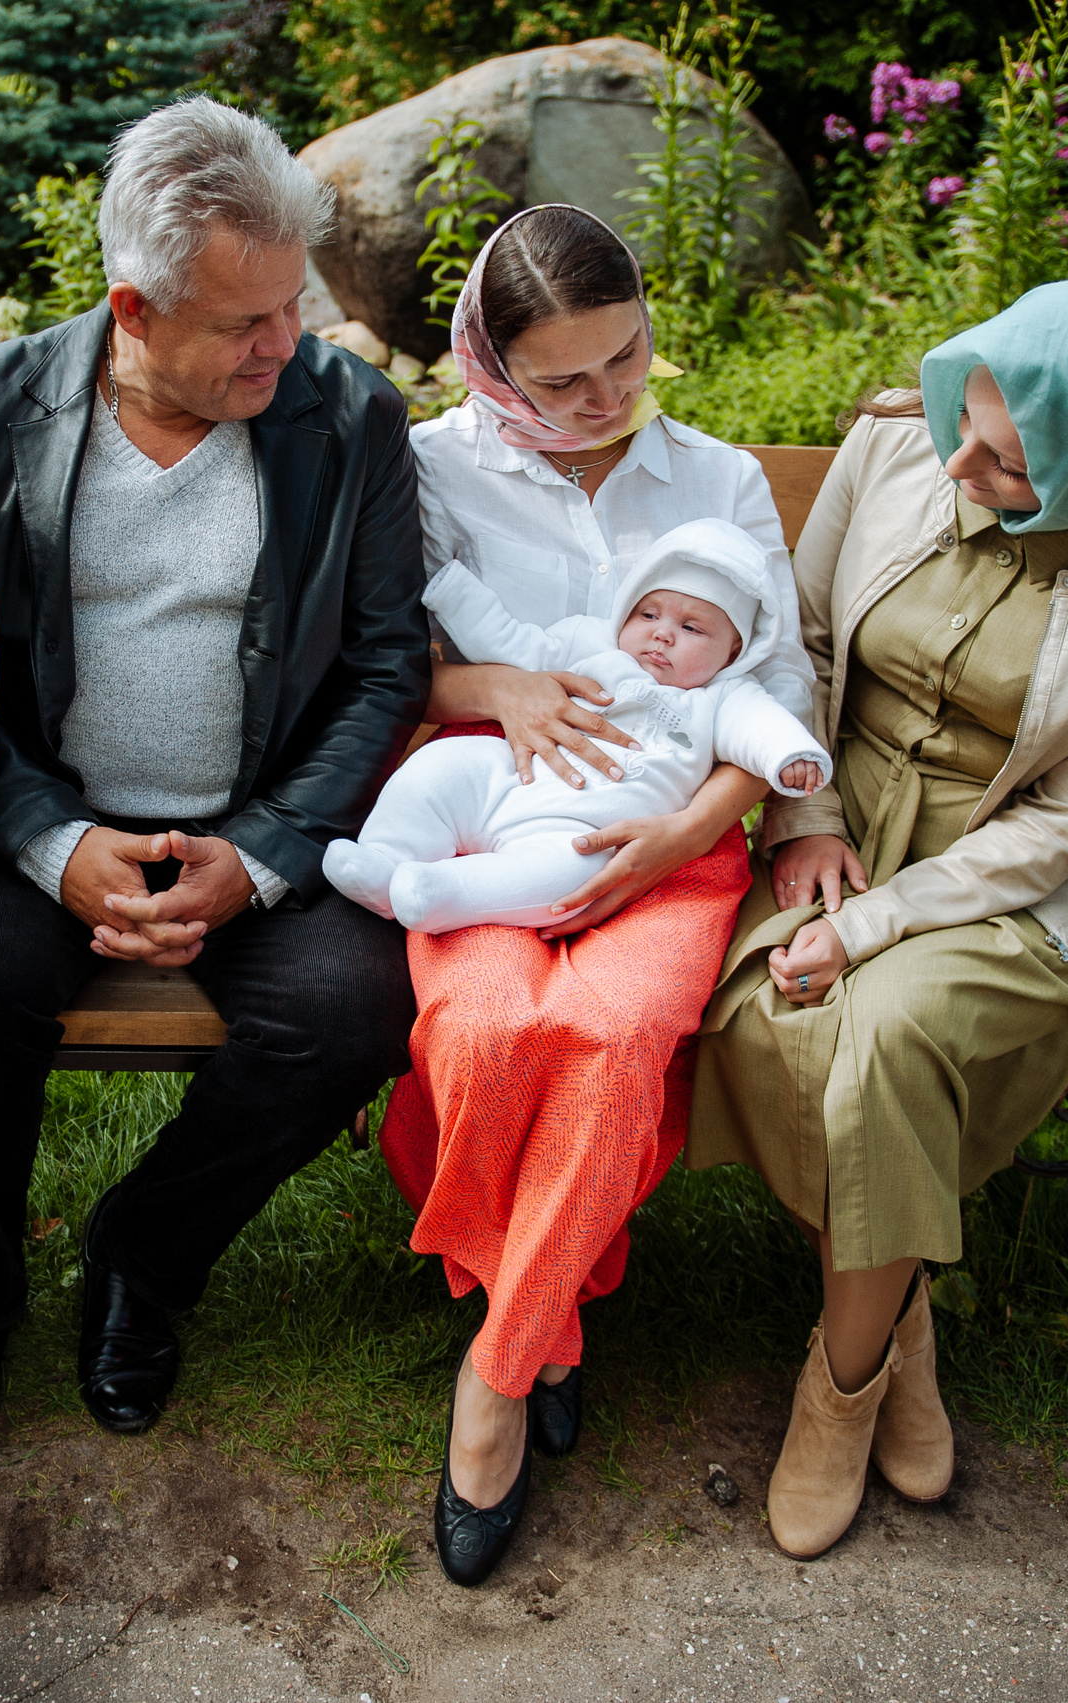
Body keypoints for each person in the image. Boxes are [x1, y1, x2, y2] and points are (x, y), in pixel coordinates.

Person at [686, 274, 1068, 1561]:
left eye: (1006, 462)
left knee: (880, 1035)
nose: (958, 459)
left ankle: (833, 1398)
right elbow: (809, 648)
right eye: (968, 421)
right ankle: (898, 1319)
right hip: (832, 816)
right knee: (761, 1015)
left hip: (1025, 876)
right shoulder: (899, 440)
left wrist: (880, 921)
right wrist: (805, 823)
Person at [0, 97, 428, 1463]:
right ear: (134, 305)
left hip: (260, 825)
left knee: (353, 1003)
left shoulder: (348, 417)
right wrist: (46, 837)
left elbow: (382, 666)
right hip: (43, 820)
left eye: (291, 305)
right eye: (245, 323)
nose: (283, 342)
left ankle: (148, 1251)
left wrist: (260, 849)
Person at [382, 203, 819, 1587]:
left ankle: (499, 1372)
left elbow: (782, 690)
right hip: (495, 824)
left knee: (618, 1041)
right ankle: (557, 1303)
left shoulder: (718, 480)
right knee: (490, 1034)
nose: (603, 400)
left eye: (625, 359)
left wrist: (672, 838)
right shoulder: (427, 471)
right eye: (561, 379)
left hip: (673, 838)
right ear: (489, 363)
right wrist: (493, 686)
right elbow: (378, 668)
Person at [327, 519, 828, 932]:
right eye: (648, 613)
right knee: (445, 766)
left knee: (568, 874)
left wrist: (791, 756)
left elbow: (765, 729)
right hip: (512, 774)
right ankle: (385, 860)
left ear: (734, 650)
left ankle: (442, 896)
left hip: (587, 831)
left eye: (691, 627)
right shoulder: (593, 644)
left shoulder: (725, 699)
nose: (662, 634)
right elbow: (511, 644)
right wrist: (453, 592)